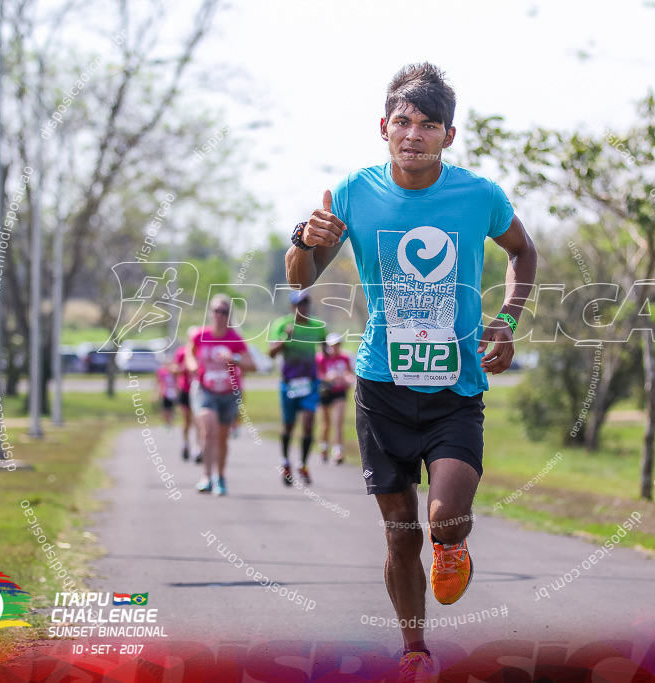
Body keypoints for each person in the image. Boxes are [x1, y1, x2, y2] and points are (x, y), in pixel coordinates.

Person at [284, 63, 536, 677]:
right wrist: (303, 236)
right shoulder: (351, 193)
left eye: (429, 125)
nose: (413, 134)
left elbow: (522, 250)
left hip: (454, 387)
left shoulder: (480, 195)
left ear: (449, 136)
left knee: (443, 518)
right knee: (400, 533)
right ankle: (414, 649)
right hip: (381, 386)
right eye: (403, 121)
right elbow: (300, 278)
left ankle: (454, 547)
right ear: (383, 127)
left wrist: (506, 318)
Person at [185, 294, 255, 496]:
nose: (219, 315)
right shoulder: (200, 335)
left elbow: (252, 365)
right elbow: (190, 352)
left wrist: (233, 358)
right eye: (216, 311)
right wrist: (192, 364)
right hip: (205, 390)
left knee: (222, 438)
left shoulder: (235, 339)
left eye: (224, 312)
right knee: (208, 431)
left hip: (228, 392)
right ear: (210, 313)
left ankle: (220, 476)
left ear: (229, 315)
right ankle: (206, 476)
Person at [268, 290, 327, 486]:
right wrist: (285, 336)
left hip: (310, 383)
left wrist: (327, 372)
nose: (302, 308)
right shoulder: (282, 325)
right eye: (298, 304)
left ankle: (303, 465)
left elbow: (325, 349)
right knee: (289, 425)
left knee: (309, 422)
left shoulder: (318, 326)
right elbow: (271, 353)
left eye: (305, 303)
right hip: (288, 383)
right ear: (291, 306)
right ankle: (285, 462)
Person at [316, 332, 355, 465]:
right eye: (333, 345)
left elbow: (349, 373)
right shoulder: (321, 358)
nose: (335, 348)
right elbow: (318, 376)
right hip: (326, 393)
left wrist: (348, 379)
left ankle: (338, 450)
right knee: (326, 424)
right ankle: (324, 447)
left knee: (338, 421)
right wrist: (328, 377)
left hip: (340, 392)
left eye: (338, 345)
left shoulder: (345, 358)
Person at [172, 329, 203, 462]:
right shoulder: (182, 352)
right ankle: (185, 444)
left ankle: (198, 448)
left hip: (199, 390)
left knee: (198, 420)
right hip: (185, 389)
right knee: (187, 420)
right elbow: (173, 369)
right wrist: (182, 368)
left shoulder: (202, 351)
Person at [153, 357, 178, 431]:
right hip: (165, 392)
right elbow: (158, 382)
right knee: (165, 409)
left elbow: (177, 381)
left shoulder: (173, 372)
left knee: (171, 409)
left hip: (173, 393)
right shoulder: (161, 372)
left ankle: (170, 423)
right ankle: (166, 423)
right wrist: (156, 393)